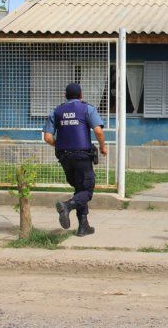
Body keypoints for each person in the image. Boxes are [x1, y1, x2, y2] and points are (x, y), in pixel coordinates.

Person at [43, 83, 107, 237]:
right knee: (87, 190)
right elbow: (98, 130)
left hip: (64, 157)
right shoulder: (87, 108)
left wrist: (61, 146)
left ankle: (83, 227)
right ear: (81, 95)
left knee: (79, 189)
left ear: (66, 96)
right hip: (82, 156)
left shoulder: (57, 111)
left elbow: (47, 137)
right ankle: (67, 206)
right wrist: (103, 147)